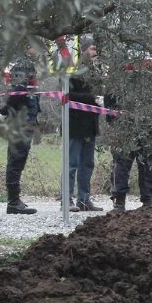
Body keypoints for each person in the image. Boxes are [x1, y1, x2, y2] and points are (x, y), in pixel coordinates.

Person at [0, 48, 40, 214]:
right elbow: (17, 93)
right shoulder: (23, 64)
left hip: (24, 118)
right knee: (16, 161)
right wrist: (4, 111)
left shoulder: (23, 63)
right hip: (21, 121)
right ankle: (13, 202)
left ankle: (15, 200)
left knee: (18, 160)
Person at [66, 43, 103, 212]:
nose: (95, 52)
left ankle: (84, 199)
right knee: (71, 163)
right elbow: (68, 95)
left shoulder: (96, 71)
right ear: (83, 50)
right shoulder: (73, 70)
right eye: (92, 49)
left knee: (87, 164)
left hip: (90, 125)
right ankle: (67, 200)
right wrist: (92, 99)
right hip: (75, 124)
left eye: (96, 49)